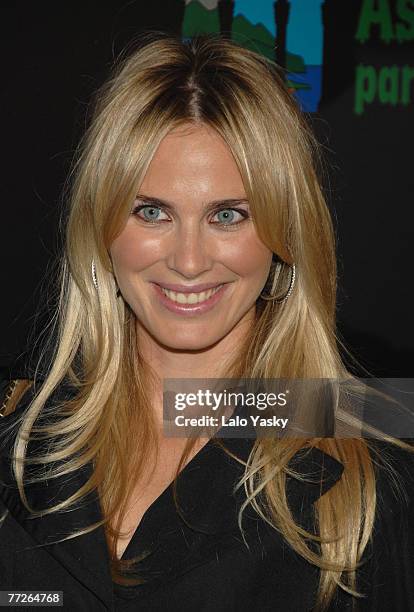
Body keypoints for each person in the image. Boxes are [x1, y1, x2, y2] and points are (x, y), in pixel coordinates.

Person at [1, 32, 413, 612]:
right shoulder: (18, 437)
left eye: (227, 215)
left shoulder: (369, 476)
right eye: (152, 212)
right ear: (100, 228)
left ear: (284, 235)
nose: (189, 261)